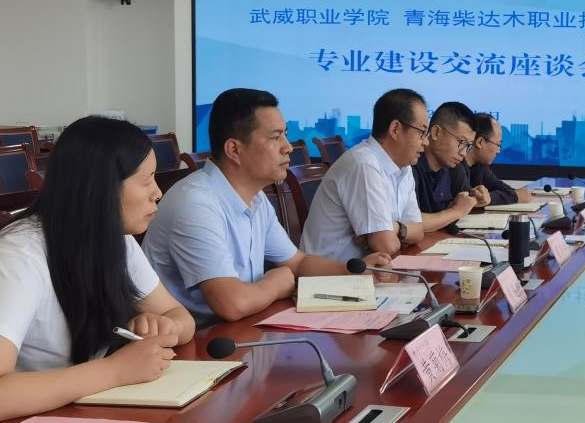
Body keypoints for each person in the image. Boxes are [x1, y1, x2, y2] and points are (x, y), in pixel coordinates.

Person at [0, 116, 195, 423]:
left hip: (57, 412)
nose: (158, 192)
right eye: (146, 180)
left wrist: (164, 328)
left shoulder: (113, 240)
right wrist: (114, 371)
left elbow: (180, 317)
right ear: (102, 188)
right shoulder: (15, 258)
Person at [143, 88, 386, 324]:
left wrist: (356, 272)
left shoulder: (256, 198)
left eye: (285, 135)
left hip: (241, 328)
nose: (287, 147)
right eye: (275, 137)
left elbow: (297, 263)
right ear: (234, 150)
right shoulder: (196, 204)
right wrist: (275, 285)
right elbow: (232, 303)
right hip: (194, 341)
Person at [300, 88, 430, 261]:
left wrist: (395, 228)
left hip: (365, 269)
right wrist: (391, 234)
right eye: (422, 132)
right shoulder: (364, 163)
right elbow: (386, 246)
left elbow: (419, 232)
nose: (426, 142)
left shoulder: (404, 168)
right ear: (395, 129)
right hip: (329, 274)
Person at [411, 100, 478, 232]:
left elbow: (465, 200)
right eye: (461, 142)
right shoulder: (411, 165)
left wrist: (475, 199)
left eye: (468, 146)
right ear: (436, 132)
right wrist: (455, 211)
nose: (463, 153)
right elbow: (411, 222)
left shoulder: (455, 167)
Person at [464, 112, 533, 206]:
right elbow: (468, 201)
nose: (498, 151)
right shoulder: (455, 165)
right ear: (480, 142)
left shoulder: (480, 166)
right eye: (498, 145)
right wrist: (515, 196)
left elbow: (505, 190)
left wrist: (488, 198)